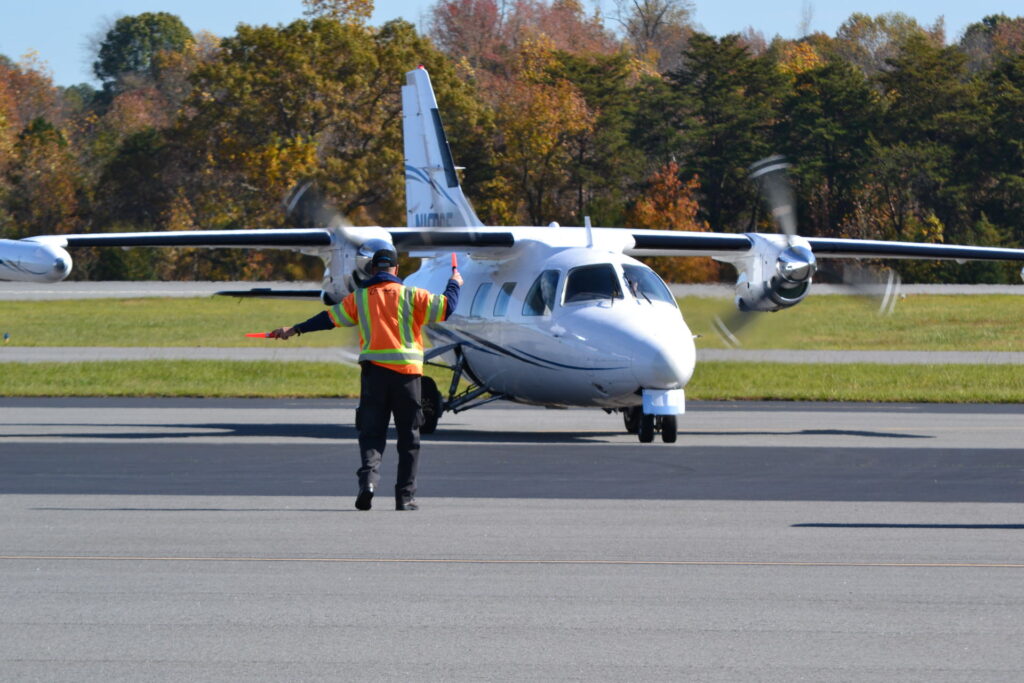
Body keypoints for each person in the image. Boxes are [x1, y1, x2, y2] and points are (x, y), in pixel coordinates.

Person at [269, 246, 462, 511]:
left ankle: (368, 482)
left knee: (371, 433)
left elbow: (328, 318)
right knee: (409, 437)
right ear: (396, 269)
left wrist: (295, 329)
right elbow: (447, 307)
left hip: (374, 376)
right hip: (407, 377)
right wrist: (454, 283)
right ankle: (405, 497)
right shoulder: (411, 295)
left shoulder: (359, 298)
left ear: (373, 269)